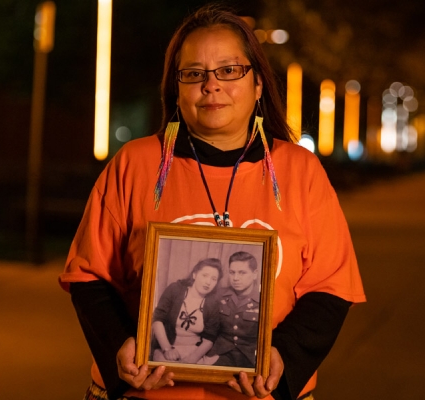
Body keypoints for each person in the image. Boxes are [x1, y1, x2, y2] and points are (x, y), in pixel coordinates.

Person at [60, 4, 366, 400]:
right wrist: (121, 346)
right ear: (175, 87)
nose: (211, 85)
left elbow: (332, 285)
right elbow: (89, 275)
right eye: (193, 74)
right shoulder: (136, 165)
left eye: (228, 70)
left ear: (258, 84)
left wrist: (282, 358)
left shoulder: (300, 172)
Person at [151, 258, 222, 365]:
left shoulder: (213, 303)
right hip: (167, 345)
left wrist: (192, 358)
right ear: (194, 275)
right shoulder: (175, 289)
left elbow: (210, 338)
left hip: (196, 351)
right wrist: (167, 349)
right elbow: (157, 319)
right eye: (205, 275)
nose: (208, 282)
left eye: (214, 279)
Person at [209, 251, 261, 368]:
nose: (236, 278)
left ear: (254, 274)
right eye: (232, 273)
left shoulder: (263, 300)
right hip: (220, 353)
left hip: (250, 358)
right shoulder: (219, 295)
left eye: (242, 273)